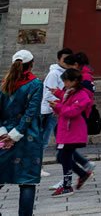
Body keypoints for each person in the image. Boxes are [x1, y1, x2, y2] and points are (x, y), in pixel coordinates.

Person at [0, 50, 46, 215]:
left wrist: (4, 134)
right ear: (31, 64)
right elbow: (30, 113)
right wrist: (16, 135)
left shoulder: (5, 83)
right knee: (27, 182)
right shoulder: (36, 84)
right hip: (28, 136)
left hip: (4, 136)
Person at [49, 68, 94, 196]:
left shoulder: (82, 95)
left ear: (74, 81)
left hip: (72, 131)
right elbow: (65, 105)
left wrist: (58, 106)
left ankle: (67, 185)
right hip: (66, 130)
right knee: (63, 156)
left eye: (66, 81)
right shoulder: (71, 92)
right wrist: (56, 104)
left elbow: (72, 111)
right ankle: (79, 176)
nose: (64, 84)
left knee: (64, 156)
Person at [41, 48, 73, 146]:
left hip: (62, 110)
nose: (67, 61)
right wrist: (56, 108)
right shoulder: (54, 74)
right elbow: (49, 94)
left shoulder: (69, 73)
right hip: (51, 111)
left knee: (63, 140)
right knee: (44, 140)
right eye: (65, 59)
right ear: (59, 60)